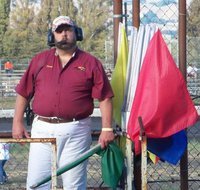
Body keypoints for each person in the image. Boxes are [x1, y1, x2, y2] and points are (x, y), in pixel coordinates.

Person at [12, 15, 115, 190]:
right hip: (42, 128)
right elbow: (23, 93)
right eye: (59, 31)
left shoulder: (90, 63)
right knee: (37, 184)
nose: (64, 34)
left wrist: (107, 129)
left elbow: (104, 97)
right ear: (52, 36)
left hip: (76, 130)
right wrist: (17, 122)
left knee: (74, 185)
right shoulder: (40, 60)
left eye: (68, 30)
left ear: (77, 33)